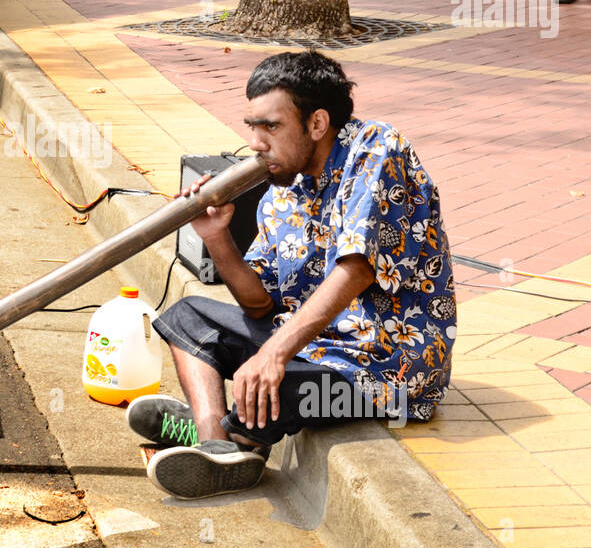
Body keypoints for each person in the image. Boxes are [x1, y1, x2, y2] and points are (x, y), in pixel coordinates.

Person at [128, 51, 455, 500]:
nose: (257, 142)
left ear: (317, 124)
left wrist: (274, 354)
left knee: (277, 381)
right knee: (187, 316)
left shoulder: (377, 148)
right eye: (253, 126)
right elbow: (260, 304)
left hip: (384, 366)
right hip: (313, 345)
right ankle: (215, 443)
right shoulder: (282, 191)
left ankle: (230, 440)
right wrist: (217, 237)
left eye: (272, 126)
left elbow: (356, 269)